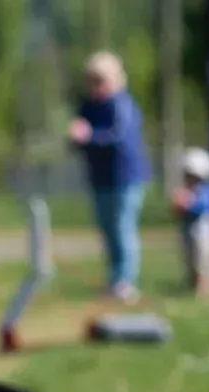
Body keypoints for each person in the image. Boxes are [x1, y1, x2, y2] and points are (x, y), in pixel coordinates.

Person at [69, 51, 151, 304]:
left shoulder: (121, 105)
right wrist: (78, 137)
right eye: (92, 81)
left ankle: (126, 281)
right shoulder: (88, 107)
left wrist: (89, 136)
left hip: (125, 178)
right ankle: (115, 279)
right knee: (108, 230)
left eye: (100, 81)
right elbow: (79, 140)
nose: (95, 87)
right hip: (101, 179)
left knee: (122, 228)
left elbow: (116, 138)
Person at [172, 148, 209, 301]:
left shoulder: (206, 190)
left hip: (203, 233)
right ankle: (191, 286)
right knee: (190, 260)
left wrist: (189, 204)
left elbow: (206, 205)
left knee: (203, 262)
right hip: (189, 231)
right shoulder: (186, 190)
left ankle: (204, 291)